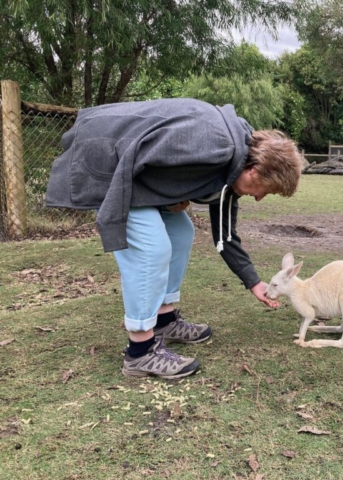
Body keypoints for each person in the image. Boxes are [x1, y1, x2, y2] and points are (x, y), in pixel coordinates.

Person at [46, 99, 302, 379]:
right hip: (106, 156)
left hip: (134, 168)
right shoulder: (215, 146)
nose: (259, 197)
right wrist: (138, 208)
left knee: (181, 232)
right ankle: (140, 352)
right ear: (256, 171)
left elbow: (224, 233)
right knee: (151, 248)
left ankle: (163, 321)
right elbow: (138, 150)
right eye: (266, 190)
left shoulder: (232, 164)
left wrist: (253, 281)